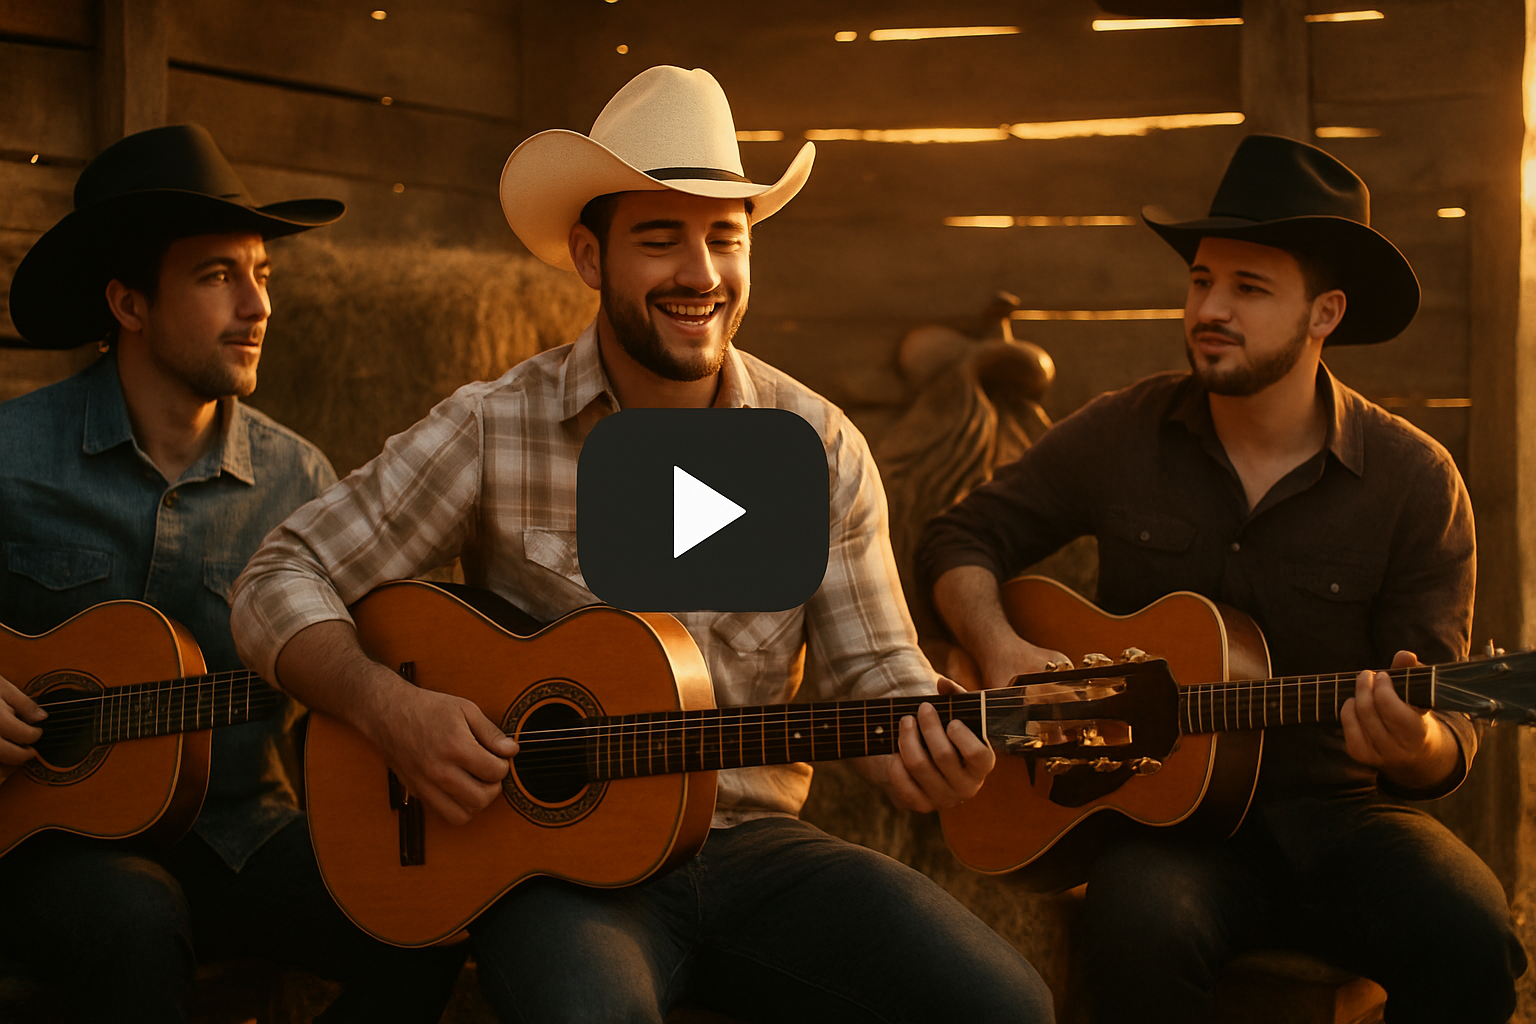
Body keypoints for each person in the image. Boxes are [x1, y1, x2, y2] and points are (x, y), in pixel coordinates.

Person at [231, 66, 1054, 1023]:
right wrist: (389, 710)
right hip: (560, 875)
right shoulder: (494, 427)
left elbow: (878, 671)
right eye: (661, 239)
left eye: (726, 238)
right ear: (591, 257)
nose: (701, 274)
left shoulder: (819, 445)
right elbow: (276, 577)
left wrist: (926, 744)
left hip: (753, 852)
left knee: (1006, 1006)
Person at [918, 133, 1527, 1023]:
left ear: (1324, 314)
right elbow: (959, 535)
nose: (1210, 307)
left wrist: (1415, 743)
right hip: (1167, 831)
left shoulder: (1414, 480)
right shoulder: (1124, 431)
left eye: (1249, 288)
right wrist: (1000, 647)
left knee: (1472, 935)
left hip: (1343, 820)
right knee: (1133, 932)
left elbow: (1446, 729)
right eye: (1202, 280)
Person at [0, 124, 464, 1023]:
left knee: (426, 915)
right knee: (136, 914)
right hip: (51, 848)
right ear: (129, 304)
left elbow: (371, 667)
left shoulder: (300, 482)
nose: (258, 307)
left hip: (237, 833)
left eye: (263, 274)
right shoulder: (12, 458)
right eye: (219, 276)